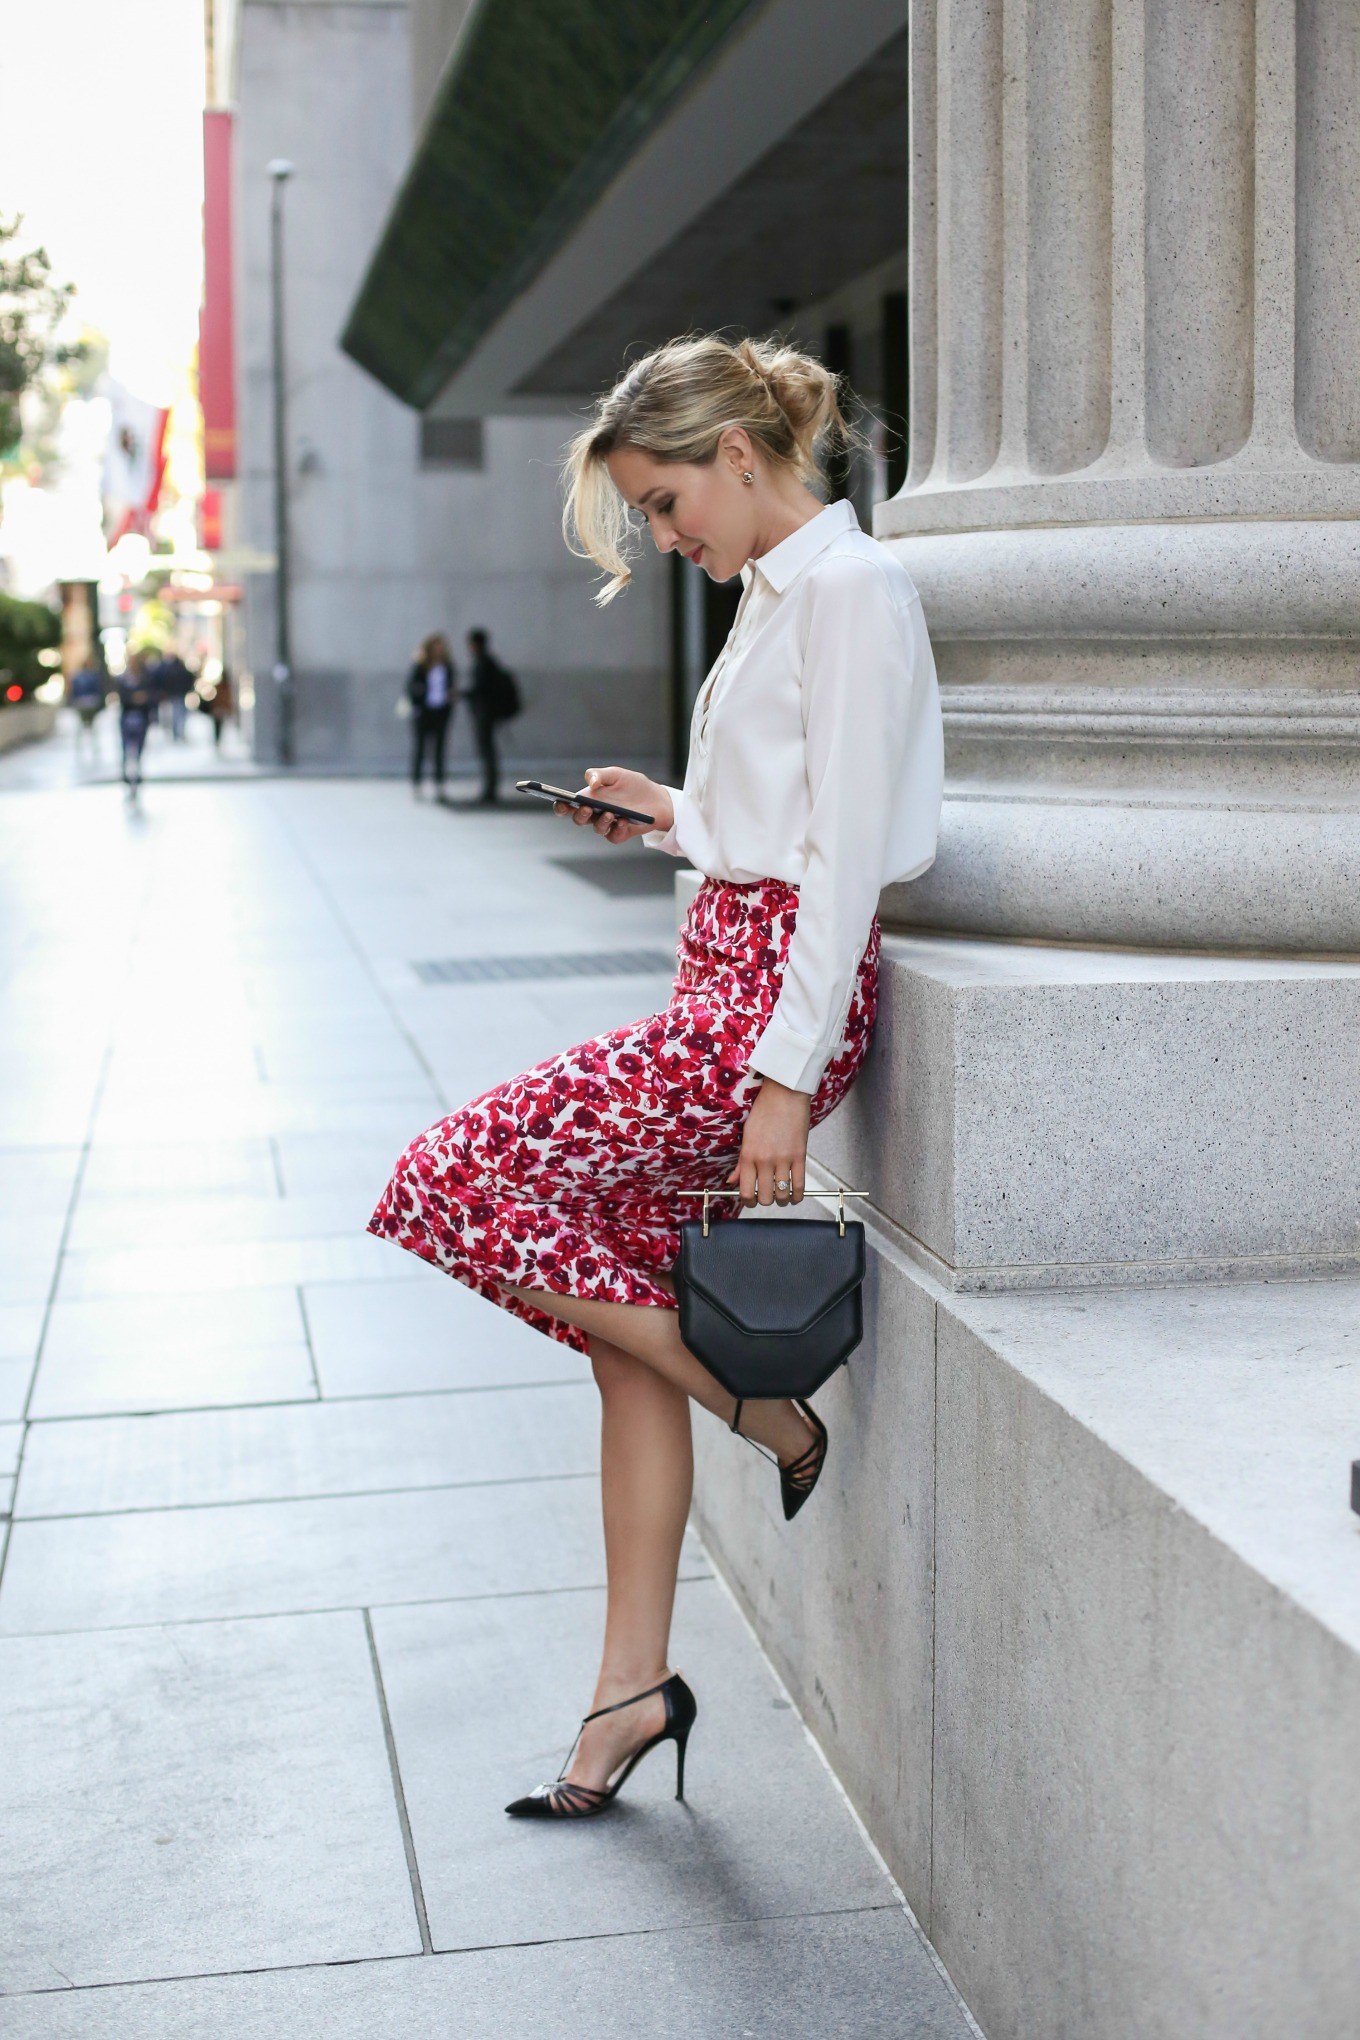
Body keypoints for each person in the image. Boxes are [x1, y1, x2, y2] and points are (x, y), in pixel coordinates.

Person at [369, 334, 943, 1819]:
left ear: (740, 456)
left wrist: (781, 1079)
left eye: (668, 501)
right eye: (651, 513)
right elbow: (772, 824)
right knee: (619, 1335)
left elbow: (848, 863)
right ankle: (629, 1692)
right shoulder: (774, 593)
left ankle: (767, 1413)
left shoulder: (853, 591)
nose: (665, 535)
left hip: (765, 1010)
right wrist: (675, 813)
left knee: (443, 1178)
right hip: (726, 982)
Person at [463, 627, 517, 805]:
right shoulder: (487, 661)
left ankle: (490, 789)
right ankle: (490, 788)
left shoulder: (483, 663)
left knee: (487, 752)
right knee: (488, 751)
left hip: (485, 714)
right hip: (487, 714)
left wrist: (463, 694)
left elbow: (481, 690)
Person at [408, 633, 455, 797]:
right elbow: (410, 687)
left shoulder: (447, 666)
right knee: (420, 749)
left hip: (440, 712)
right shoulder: (421, 665)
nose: (439, 649)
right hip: (423, 712)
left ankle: (439, 784)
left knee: (439, 750)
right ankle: (417, 784)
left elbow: (451, 686)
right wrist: (417, 705)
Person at [117, 651, 157, 798]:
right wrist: (135, 698)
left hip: (142, 717)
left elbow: (150, 696)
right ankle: (125, 773)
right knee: (126, 747)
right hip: (127, 717)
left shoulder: (145, 678)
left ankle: (137, 771)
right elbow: (122, 698)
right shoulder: (122, 679)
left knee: (139, 746)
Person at [69, 661, 106, 752]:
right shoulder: (92, 676)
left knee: (83, 726)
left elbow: (73, 692)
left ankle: (83, 747)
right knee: (90, 727)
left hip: (83, 703)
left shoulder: (78, 677)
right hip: (89, 703)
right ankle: (91, 746)